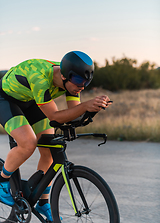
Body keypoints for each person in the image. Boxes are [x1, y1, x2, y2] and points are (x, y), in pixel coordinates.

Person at [0, 51, 111, 221]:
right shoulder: (40, 78)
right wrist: (84, 106)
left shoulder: (73, 81)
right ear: (66, 76)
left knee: (50, 149)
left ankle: (43, 202)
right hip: (6, 99)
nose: (82, 86)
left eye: (86, 82)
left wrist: (92, 108)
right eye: (79, 81)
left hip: (31, 100)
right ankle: (2, 180)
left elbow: (73, 112)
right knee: (28, 143)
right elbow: (55, 117)